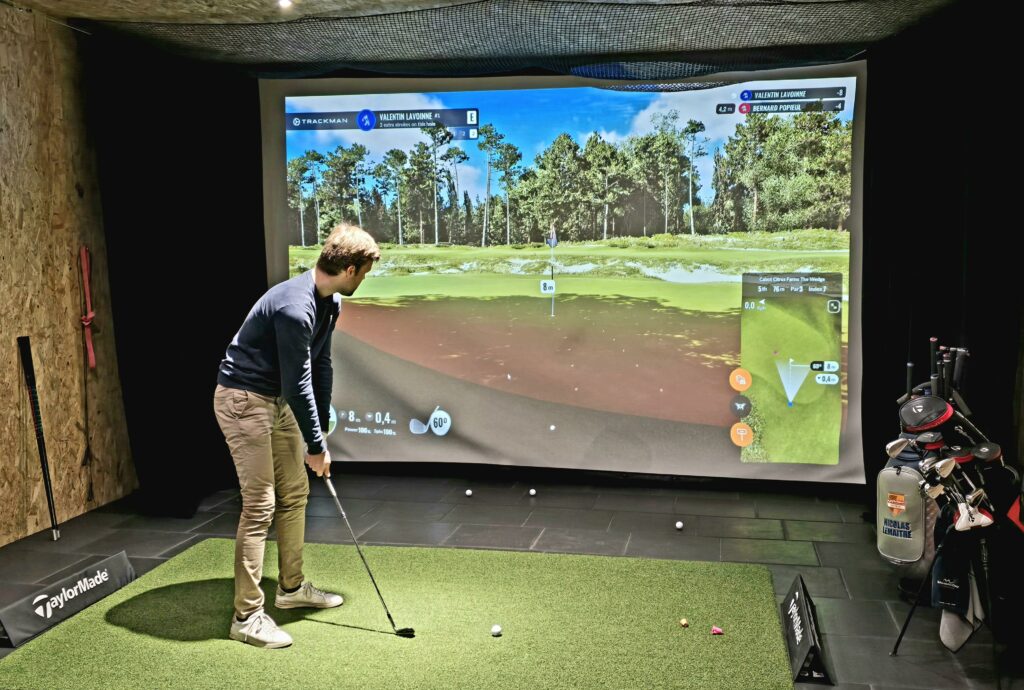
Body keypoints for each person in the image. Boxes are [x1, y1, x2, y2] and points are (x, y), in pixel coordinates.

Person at [213, 223, 380, 648]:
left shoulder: (330, 303)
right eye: (364, 272)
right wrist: (316, 447)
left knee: (295, 492)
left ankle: (290, 589)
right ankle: (246, 617)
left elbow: (320, 364)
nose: (364, 279)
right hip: (243, 400)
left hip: (276, 399)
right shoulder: (294, 307)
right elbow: (297, 381)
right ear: (348, 269)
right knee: (260, 505)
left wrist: (319, 425)